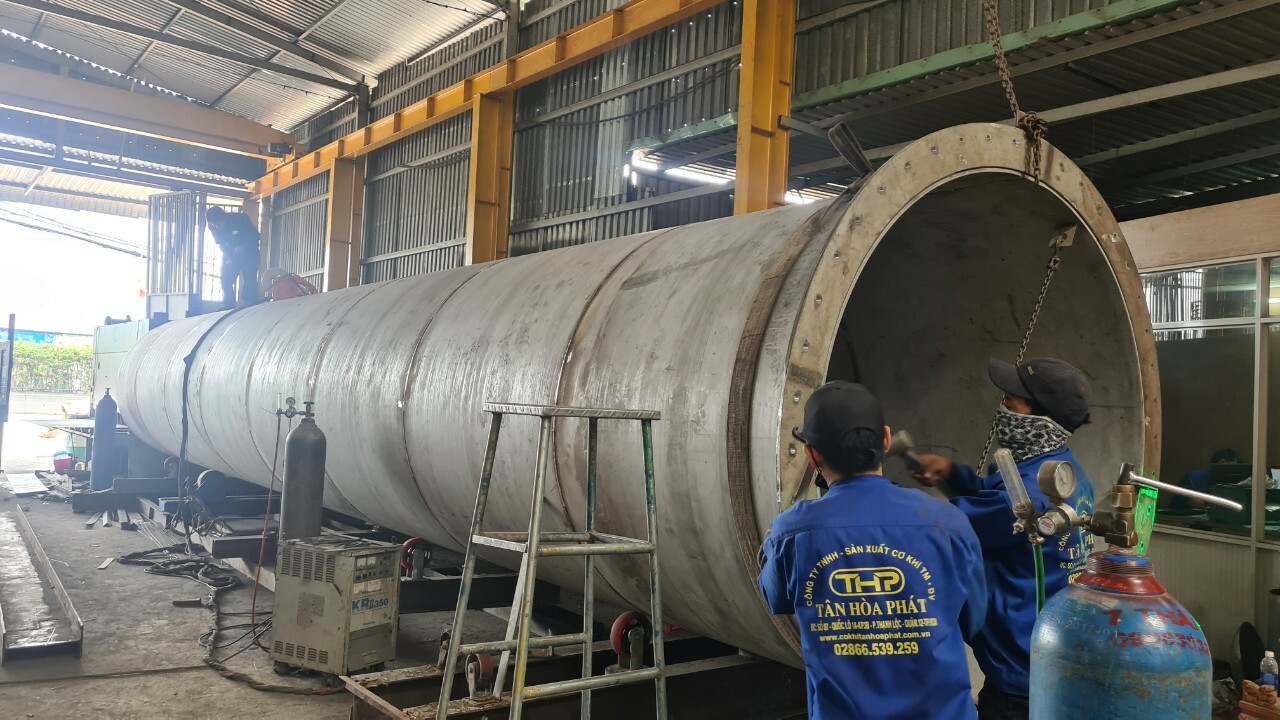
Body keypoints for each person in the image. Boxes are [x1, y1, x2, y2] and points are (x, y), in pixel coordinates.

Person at [758, 381, 988, 720]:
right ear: (886, 439)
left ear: (811, 454)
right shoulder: (948, 523)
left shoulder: (792, 532)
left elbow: (774, 598)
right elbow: (975, 619)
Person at [912, 358, 1097, 720]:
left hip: (1019, 676)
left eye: (1010, 401)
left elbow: (950, 527)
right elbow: (993, 497)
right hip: (1053, 652)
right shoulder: (1062, 469)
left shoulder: (1029, 496)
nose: (1003, 408)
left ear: (1037, 418)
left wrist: (877, 496)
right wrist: (952, 474)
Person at [207, 206, 261, 310]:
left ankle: (250, 302)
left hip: (250, 254)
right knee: (225, 279)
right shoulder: (213, 227)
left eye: (219, 223)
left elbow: (255, 237)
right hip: (231, 254)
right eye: (214, 224)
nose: (217, 226)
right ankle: (228, 304)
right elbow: (221, 244)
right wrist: (228, 256)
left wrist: (243, 247)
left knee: (250, 278)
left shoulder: (241, 219)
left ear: (224, 218)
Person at [1171, 448, 1243, 510]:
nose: (1234, 472)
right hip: (1180, 517)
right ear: (1222, 462)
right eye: (1233, 467)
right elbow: (1191, 500)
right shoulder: (1195, 477)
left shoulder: (1222, 479)